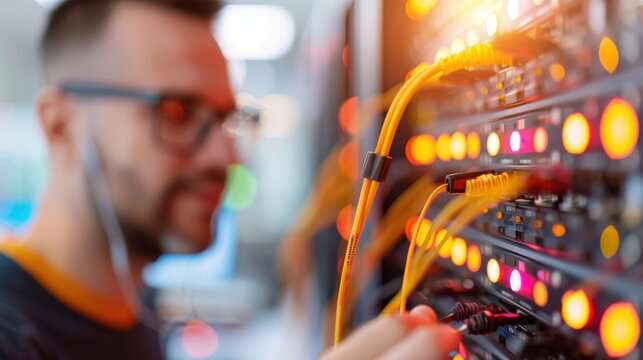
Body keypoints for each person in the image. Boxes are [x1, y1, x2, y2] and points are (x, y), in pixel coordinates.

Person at [0, 0, 459, 358]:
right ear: (58, 122)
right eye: (177, 113)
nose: (226, 154)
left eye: (227, 118)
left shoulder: (135, 305)